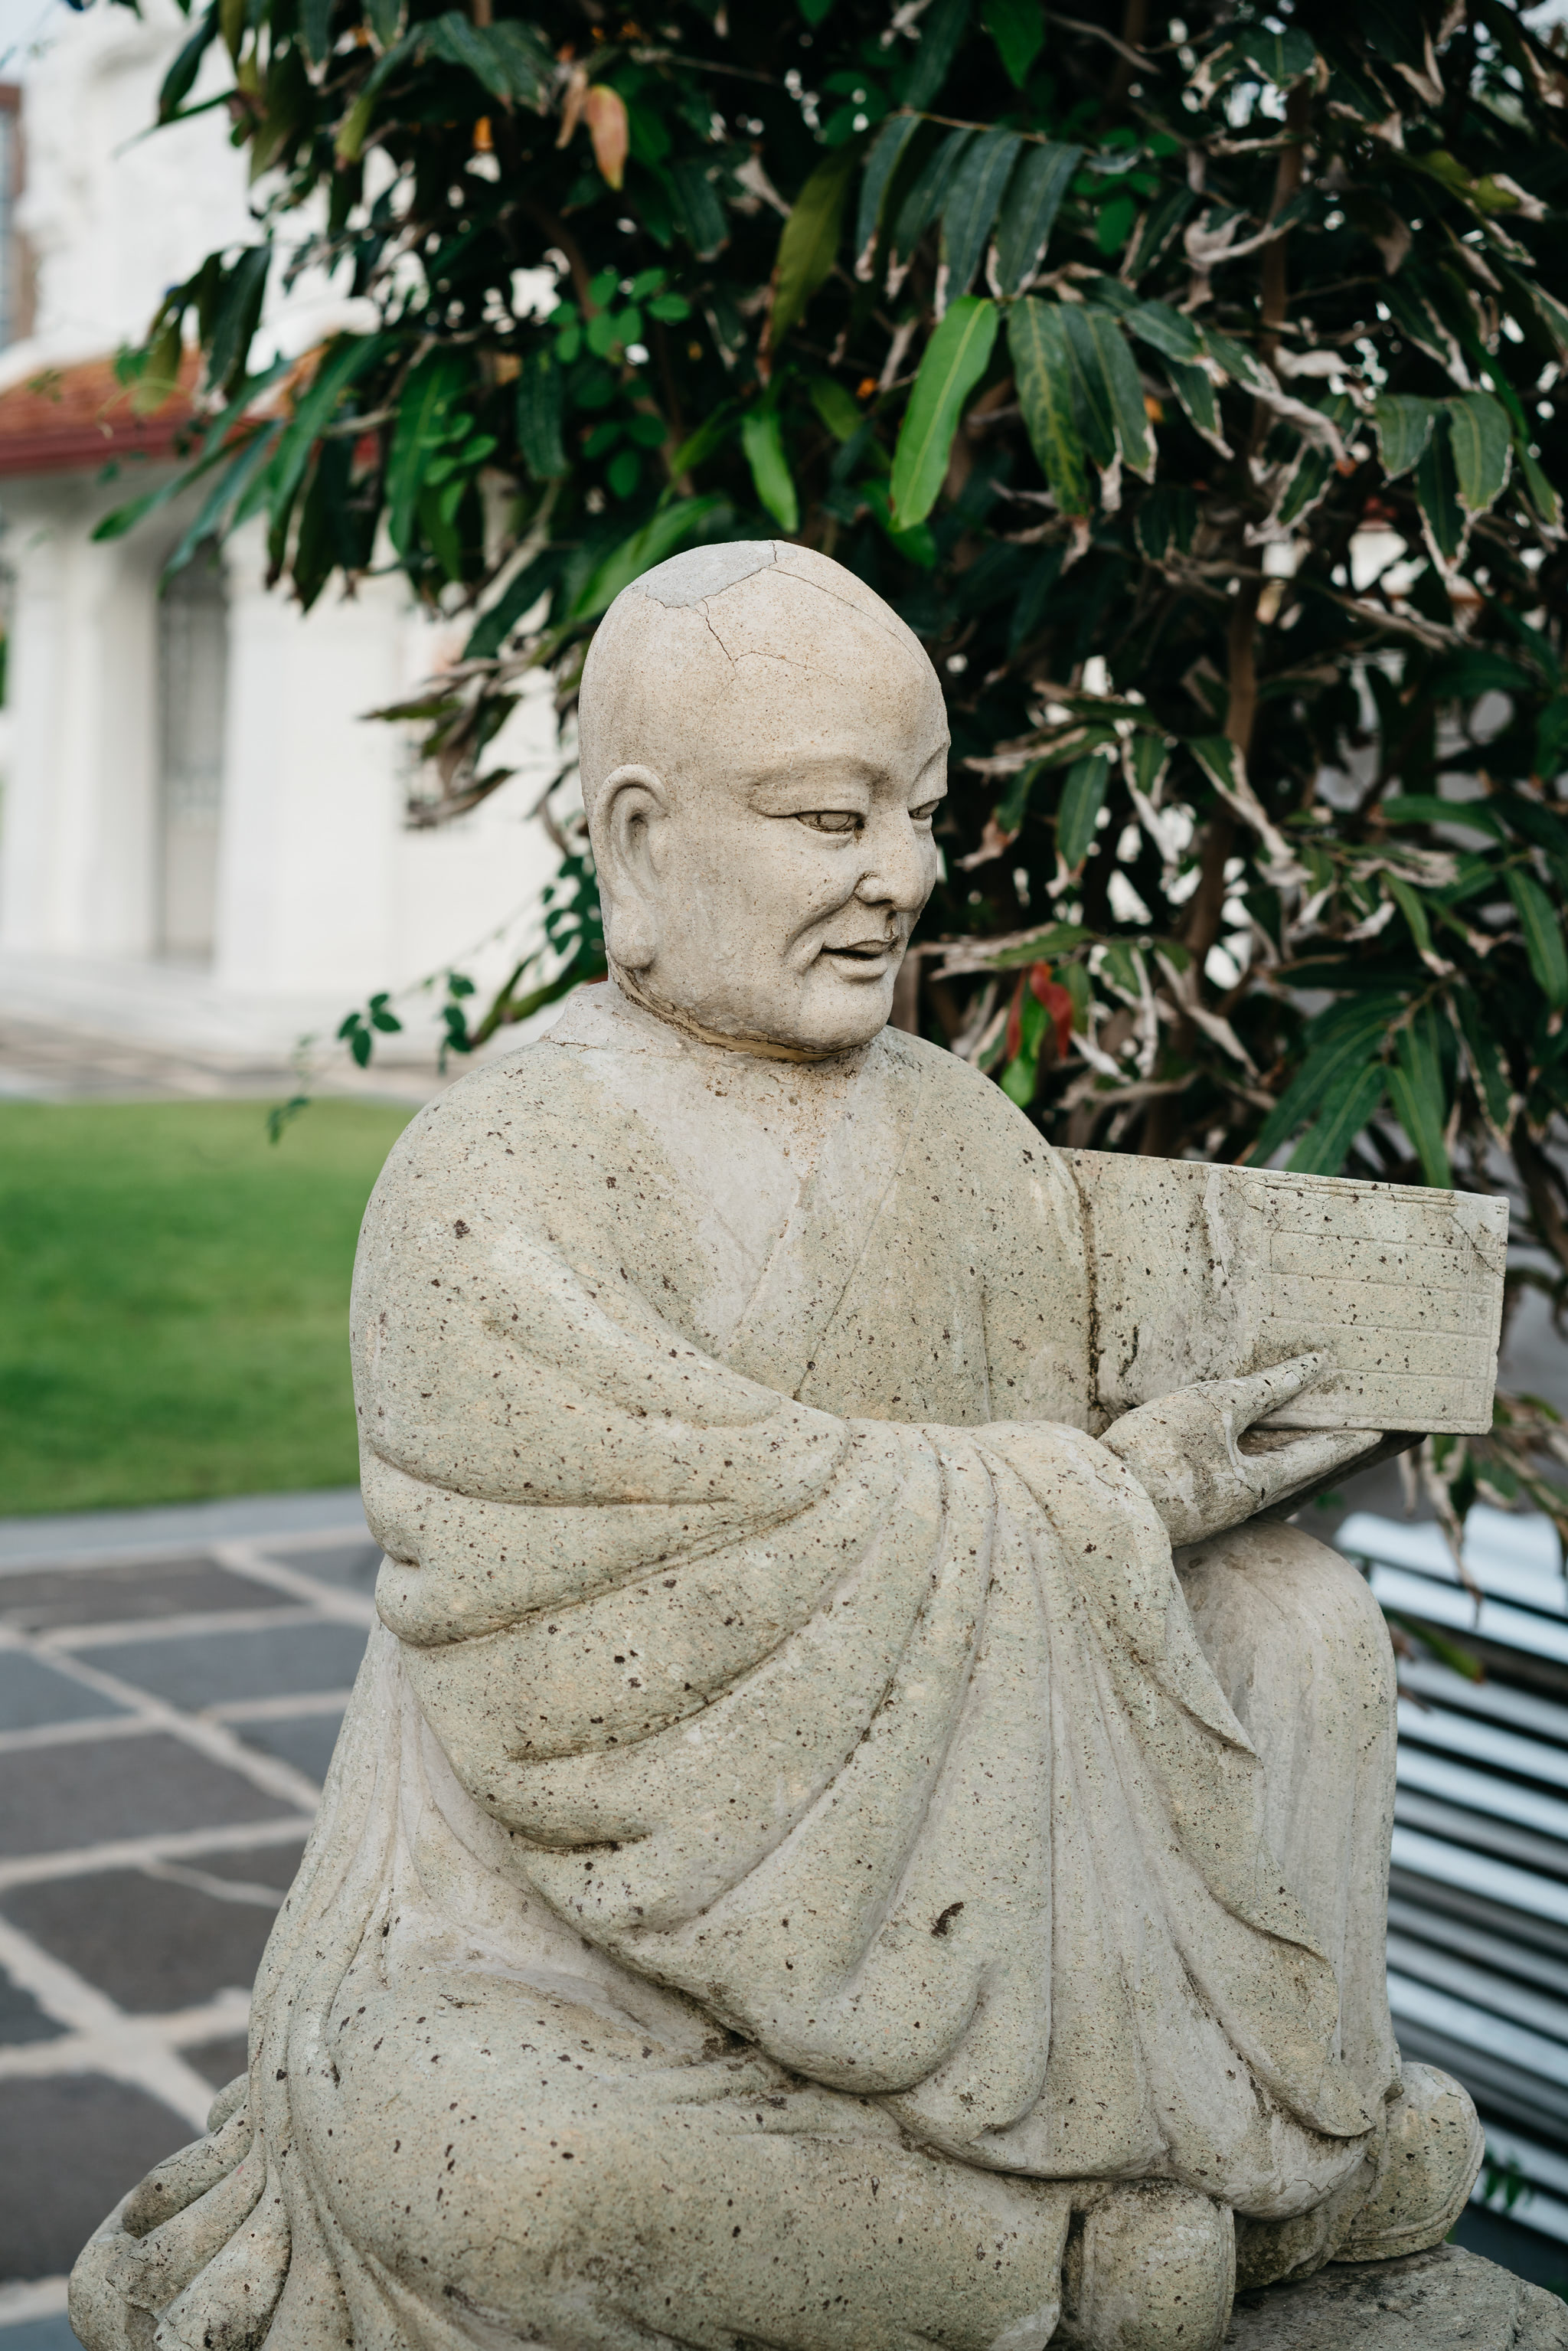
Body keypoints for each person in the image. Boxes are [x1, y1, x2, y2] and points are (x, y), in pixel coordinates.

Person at [73, 542, 1481, 2351]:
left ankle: (1249, 2130)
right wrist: (1098, 1500)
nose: (897, 874)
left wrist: (1165, 1491)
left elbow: (1035, 1585)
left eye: (915, 811)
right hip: (547, 1943)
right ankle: (1051, 2247)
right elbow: (636, 1613)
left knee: (1294, 1614)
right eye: (829, 817)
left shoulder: (967, 1140)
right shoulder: (504, 1171)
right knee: (484, 2156)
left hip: (980, 1907)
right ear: (640, 843)